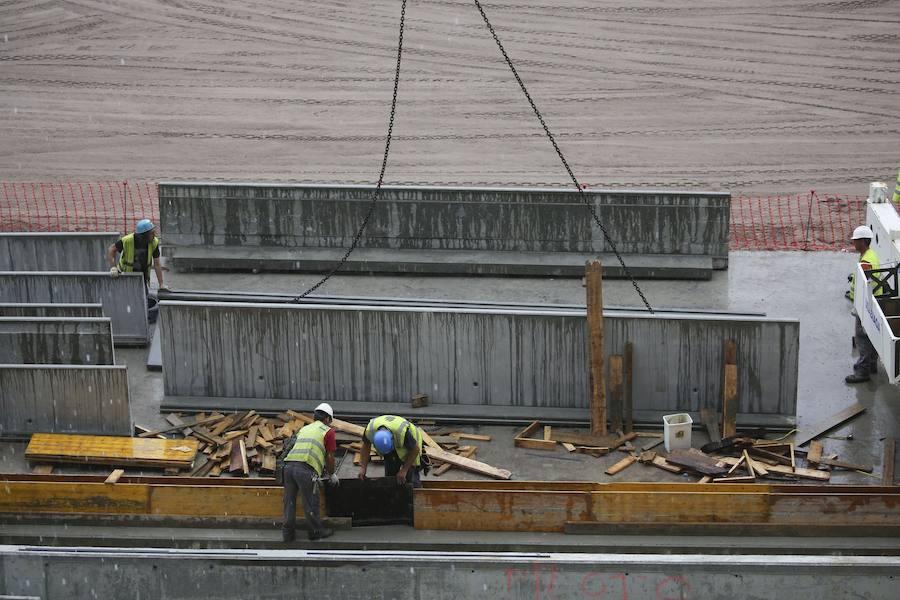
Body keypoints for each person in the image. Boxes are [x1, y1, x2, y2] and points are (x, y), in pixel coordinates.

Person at [282, 402, 340, 542]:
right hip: (306, 469)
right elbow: (330, 456)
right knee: (311, 501)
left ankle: (288, 534)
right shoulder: (328, 431)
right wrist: (331, 474)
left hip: (288, 468)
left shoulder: (304, 429)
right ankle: (315, 532)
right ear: (327, 419)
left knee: (289, 502)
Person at [107, 219, 166, 322]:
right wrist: (113, 267)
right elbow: (111, 249)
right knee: (124, 299)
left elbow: (157, 264)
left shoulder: (154, 242)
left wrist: (161, 284)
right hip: (124, 275)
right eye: (152, 233)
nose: (154, 235)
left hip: (141, 277)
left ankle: (139, 320)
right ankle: (125, 319)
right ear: (143, 235)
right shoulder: (128, 240)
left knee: (142, 298)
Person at [846, 225, 880, 383]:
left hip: (866, 305)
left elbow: (865, 284)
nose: (853, 243)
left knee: (863, 337)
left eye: (855, 241)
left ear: (862, 242)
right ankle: (872, 365)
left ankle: (862, 371)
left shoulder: (866, 261)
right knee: (872, 336)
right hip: (872, 302)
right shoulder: (870, 254)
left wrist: (858, 304)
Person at [358, 414, 426, 487]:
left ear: (392, 439)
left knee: (410, 477)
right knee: (390, 479)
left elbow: (415, 450)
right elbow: (366, 446)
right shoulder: (370, 431)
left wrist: (404, 470)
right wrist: (363, 467)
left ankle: (415, 490)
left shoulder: (403, 433)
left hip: (412, 446)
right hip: (396, 441)